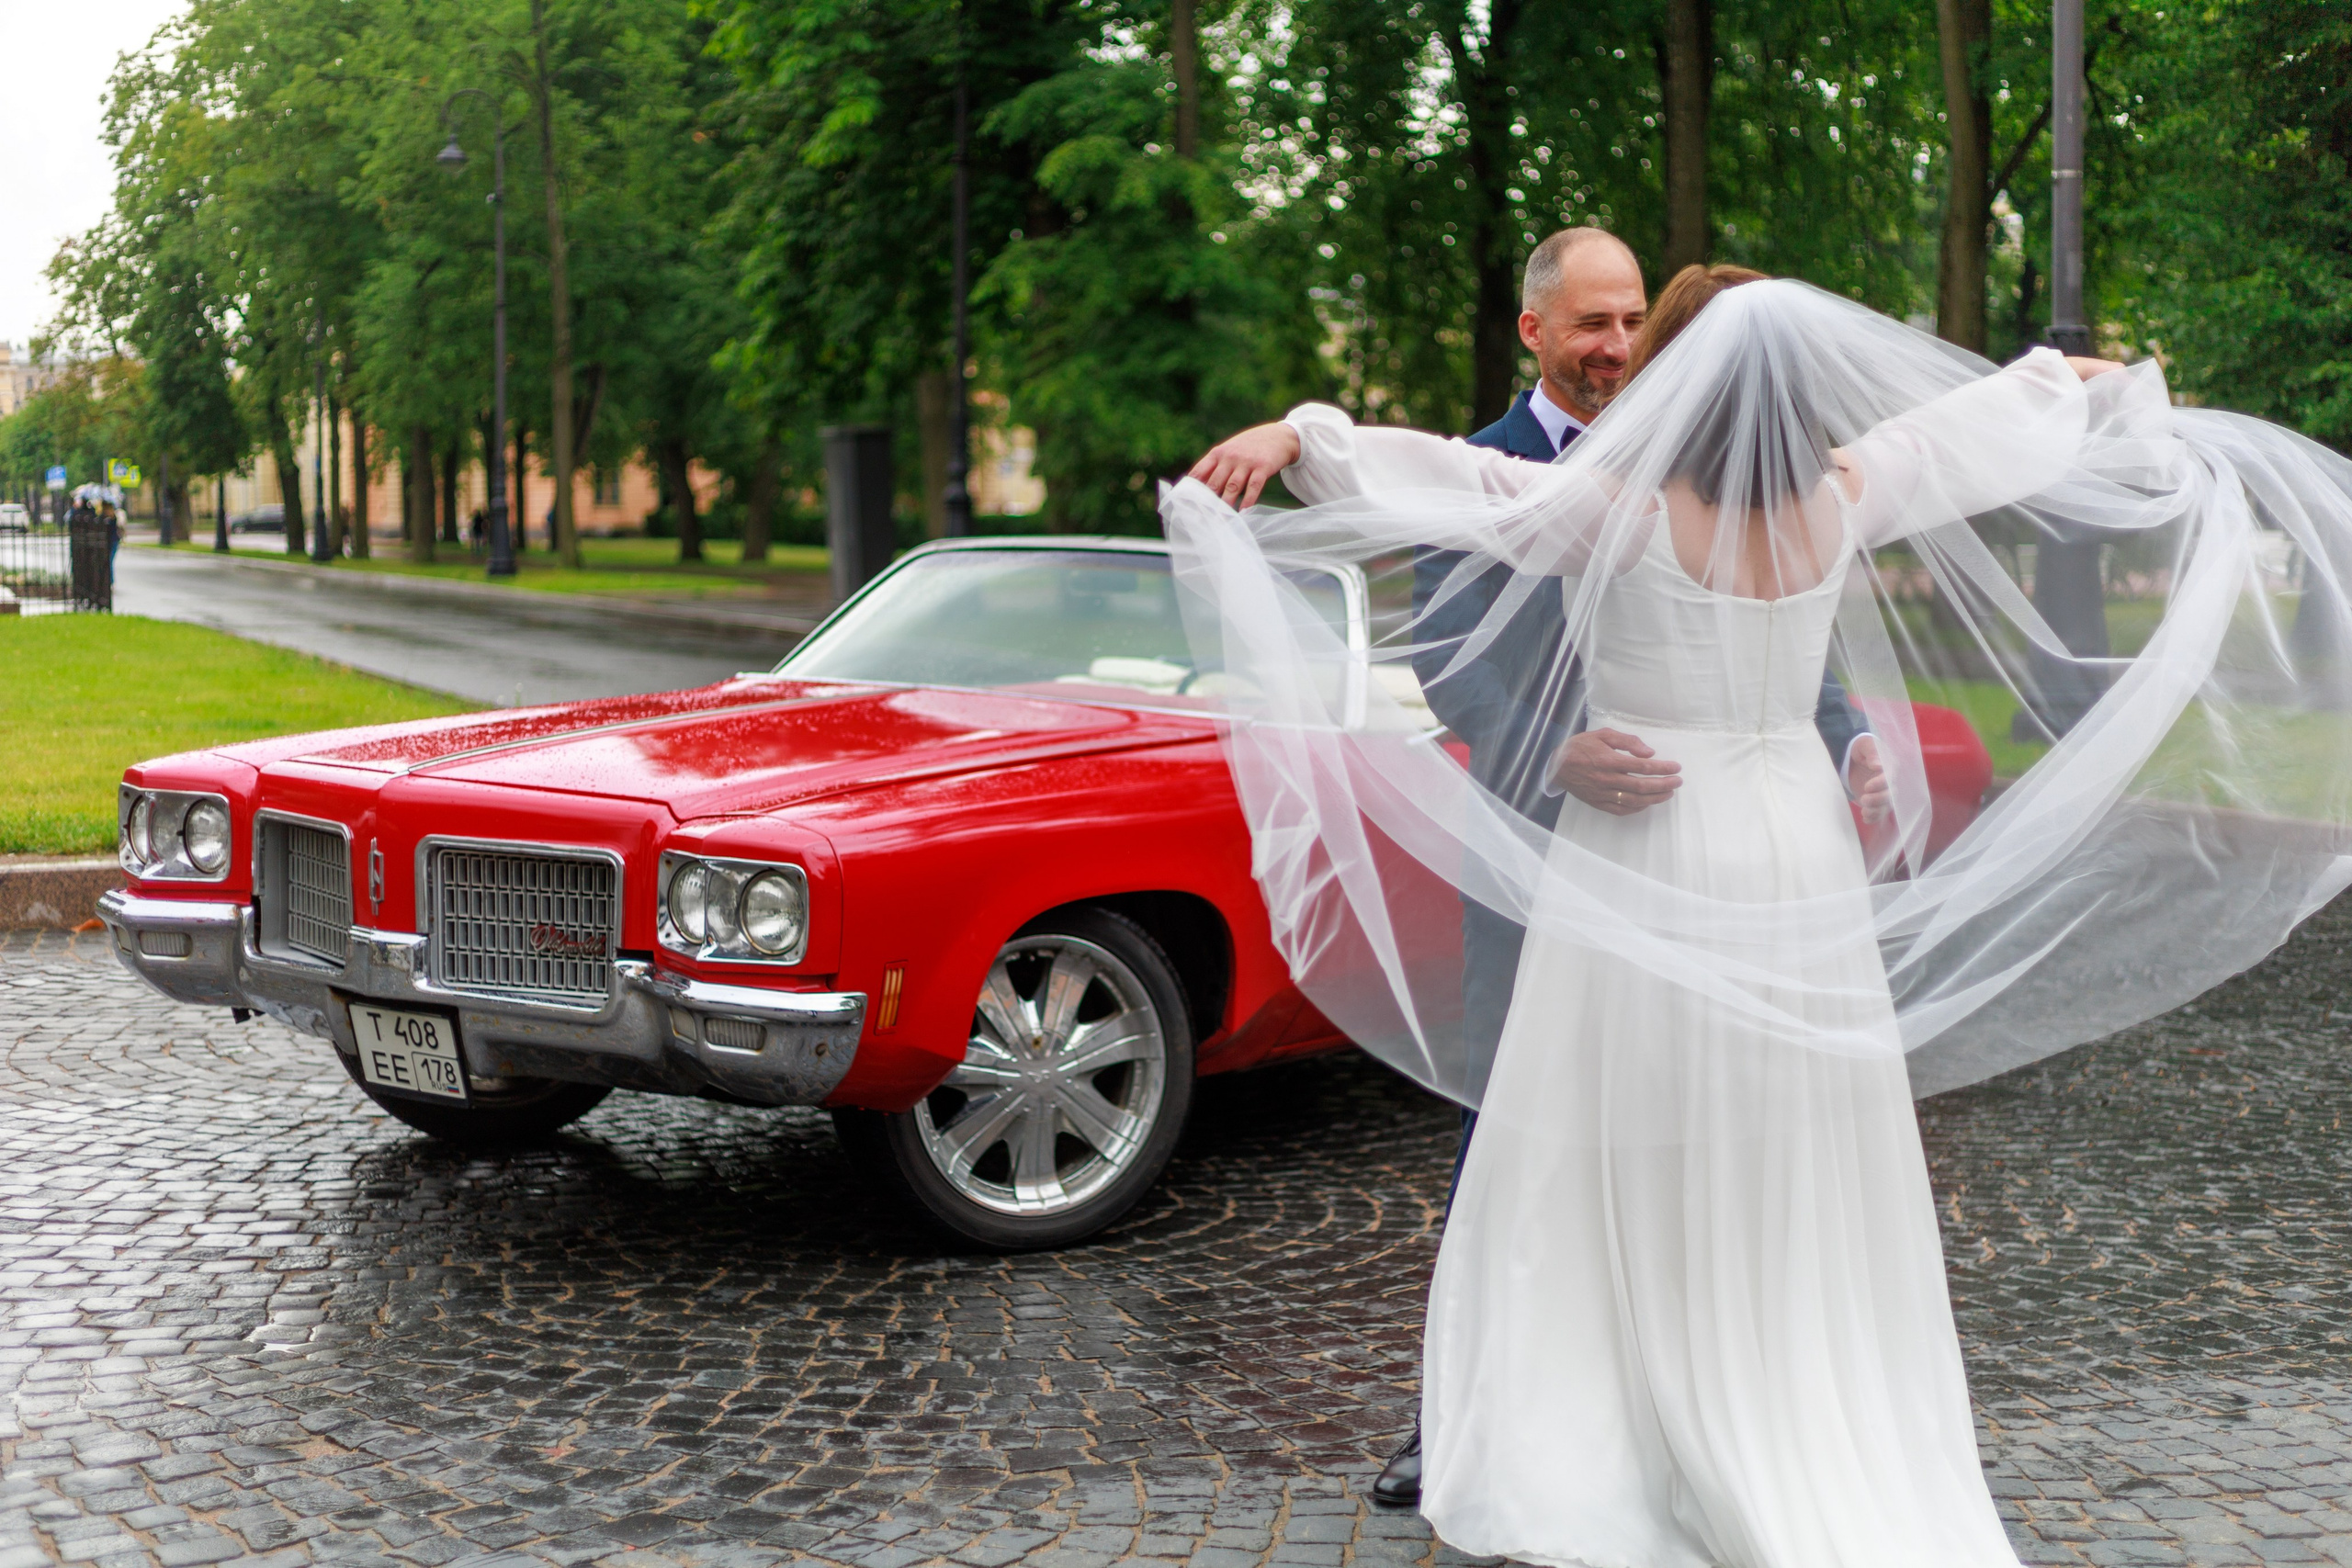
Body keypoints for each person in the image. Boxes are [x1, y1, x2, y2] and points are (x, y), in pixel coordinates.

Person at [1164, 273, 2352, 1565]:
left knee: (1611, 1130)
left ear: (1678, 374)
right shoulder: (1847, 495)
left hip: (1652, 842)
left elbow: (1446, 481)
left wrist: (1299, 434)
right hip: (1793, 840)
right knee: (1793, 1132)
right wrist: (2089, 380)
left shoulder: (1612, 510)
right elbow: (1995, 419)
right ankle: (1797, 1391)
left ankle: (1620, 1418)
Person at [1213, 232, 1887, 1509]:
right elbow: (1454, 655)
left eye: (1633, 322)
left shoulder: (1713, 483)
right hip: (1542, 854)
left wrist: (1843, 744)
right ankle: (1464, 1414)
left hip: (1725, 834)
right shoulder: (1515, 468)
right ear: (1535, 330)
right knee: (1520, 1136)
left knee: (1722, 1127)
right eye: (1590, 323)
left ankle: (1695, 1393)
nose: (1614, 346)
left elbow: (1811, 649)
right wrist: (1553, 751)